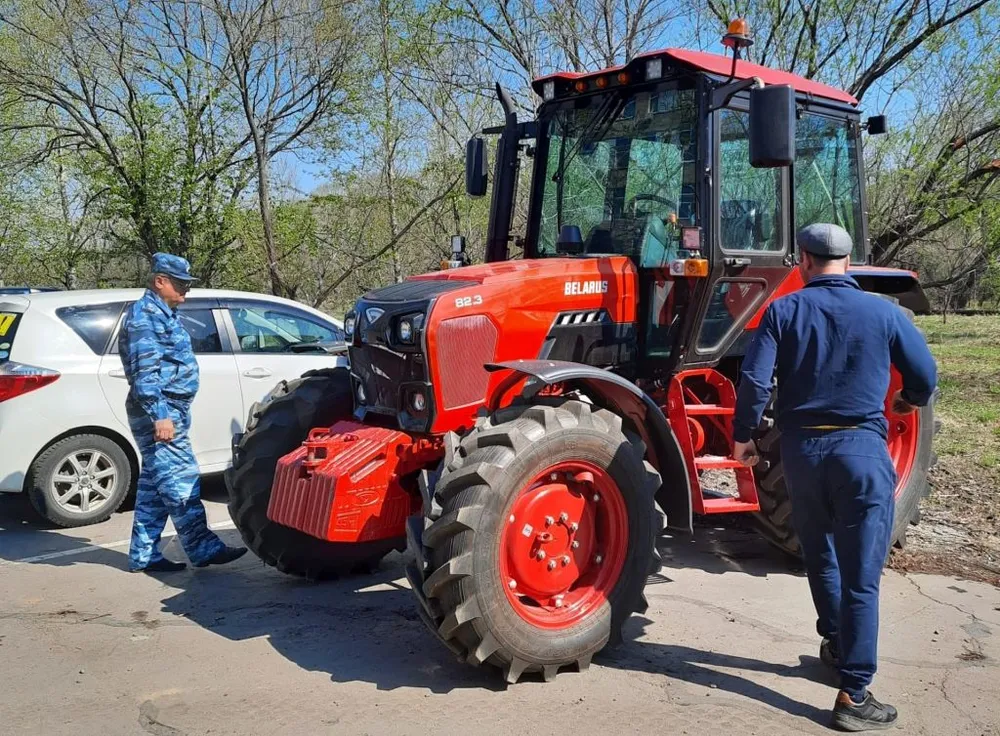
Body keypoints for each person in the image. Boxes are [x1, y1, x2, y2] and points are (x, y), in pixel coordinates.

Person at [731, 223, 937, 732]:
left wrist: (745, 436)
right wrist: (907, 400)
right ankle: (854, 691)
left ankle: (837, 644)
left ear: (802, 258)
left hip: (802, 452)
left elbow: (755, 380)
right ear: (849, 261)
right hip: (861, 454)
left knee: (820, 555)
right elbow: (925, 376)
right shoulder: (884, 312)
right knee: (861, 575)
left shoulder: (782, 310)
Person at [120, 253, 246, 574]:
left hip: (170, 408)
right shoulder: (144, 316)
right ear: (160, 281)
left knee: (154, 485)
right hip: (160, 411)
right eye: (180, 285)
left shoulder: (163, 313)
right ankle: (202, 547)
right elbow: (144, 373)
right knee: (181, 479)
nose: (185, 292)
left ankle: (143, 554)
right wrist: (159, 414)